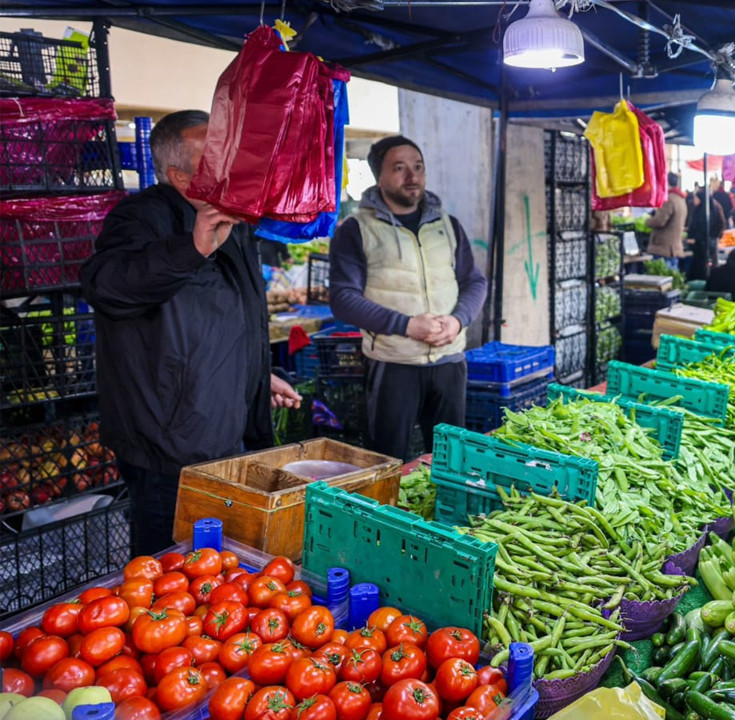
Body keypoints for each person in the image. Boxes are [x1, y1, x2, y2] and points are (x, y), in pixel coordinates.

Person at [81, 110, 301, 556]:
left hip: (226, 434)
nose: (227, 166)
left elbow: (224, 320)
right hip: (169, 450)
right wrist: (193, 247)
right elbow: (106, 285)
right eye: (213, 157)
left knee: (220, 567)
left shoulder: (230, 223)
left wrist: (257, 377)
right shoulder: (141, 217)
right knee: (166, 571)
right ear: (180, 175)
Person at [329, 136, 488, 461]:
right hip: (393, 363)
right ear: (379, 175)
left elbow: (474, 281)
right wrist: (406, 325)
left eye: (418, 167)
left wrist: (458, 320)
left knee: (451, 459)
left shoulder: (447, 225)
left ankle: (445, 513)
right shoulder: (357, 229)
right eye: (399, 168)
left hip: (449, 360)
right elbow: (343, 298)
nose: (412, 176)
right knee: (389, 460)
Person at [646, 173, 688, 268]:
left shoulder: (668, 199)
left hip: (663, 247)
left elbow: (659, 221)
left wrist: (647, 221)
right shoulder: (680, 199)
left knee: (661, 277)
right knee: (671, 278)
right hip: (674, 246)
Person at [686, 186, 725, 281]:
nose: (694, 200)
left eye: (696, 198)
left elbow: (706, 227)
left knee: (702, 269)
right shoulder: (701, 209)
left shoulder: (707, 211)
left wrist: (698, 239)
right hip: (704, 244)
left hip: (703, 246)